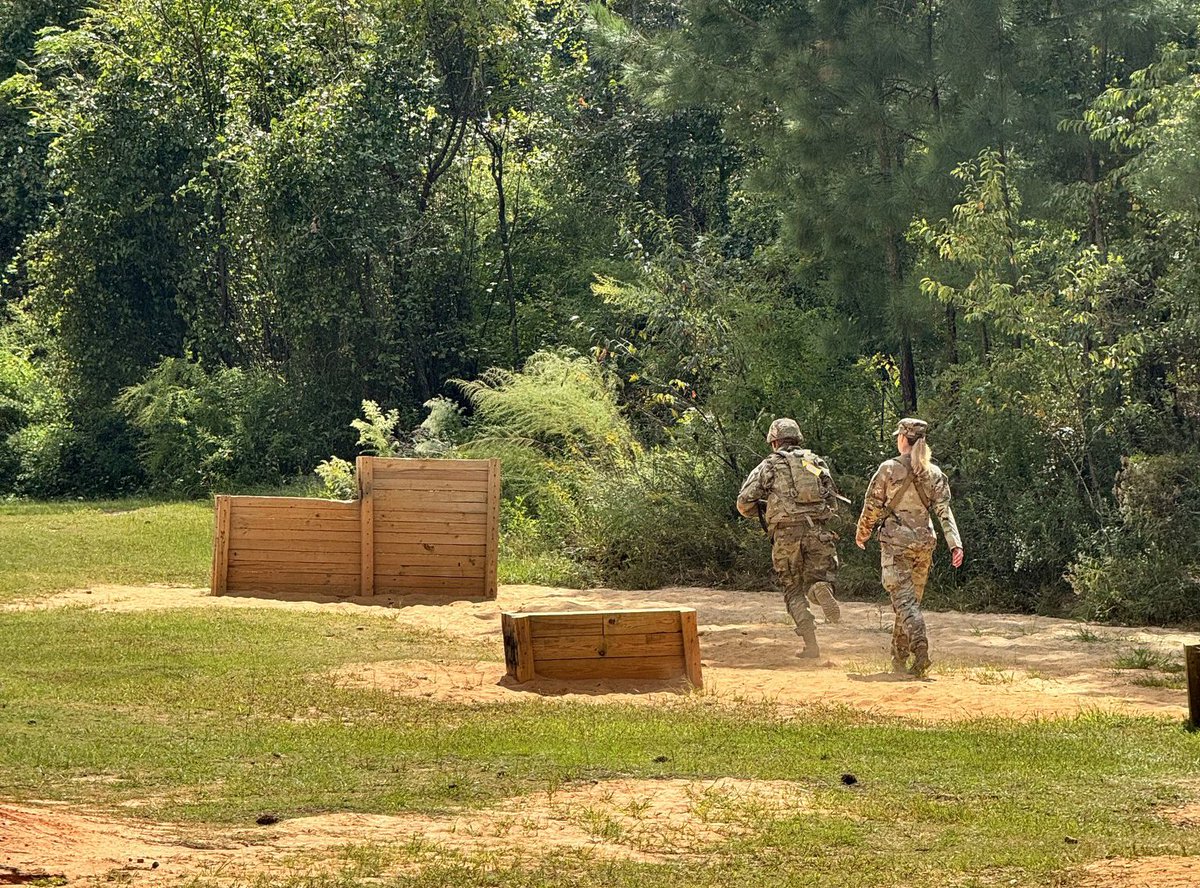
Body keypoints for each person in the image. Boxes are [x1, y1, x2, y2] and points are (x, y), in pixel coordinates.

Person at [855, 418, 963, 678]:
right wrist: (955, 544)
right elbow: (944, 512)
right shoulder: (934, 473)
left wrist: (862, 533)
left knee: (904, 603)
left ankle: (920, 648)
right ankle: (899, 660)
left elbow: (872, 506)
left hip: (896, 544)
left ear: (903, 438)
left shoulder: (888, 469)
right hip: (924, 544)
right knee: (908, 603)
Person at [736, 418, 843, 659]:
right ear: (798, 438)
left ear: (774, 441)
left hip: (786, 535)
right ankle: (820, 589)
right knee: (818, 578)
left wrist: (763, 511)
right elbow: (832, 500)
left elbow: (743, 502)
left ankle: (811, 645)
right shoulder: (814, 463)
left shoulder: (770, 465)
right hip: (818, 531)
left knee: (792, 588)